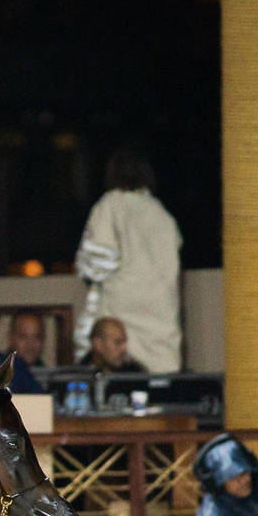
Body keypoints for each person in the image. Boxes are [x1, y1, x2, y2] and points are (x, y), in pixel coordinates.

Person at [72, 145, 183, 373]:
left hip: (120, 312)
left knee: (116, 379)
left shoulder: (111, 205)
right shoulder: (161, 214)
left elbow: (97, 264)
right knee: (159, 384)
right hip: (161, 316)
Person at [81, 315, 148, 374]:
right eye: (117, 342)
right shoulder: (78, 376)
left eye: (124, 342)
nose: (124, 348)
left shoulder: (134, 374)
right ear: (98, 344)